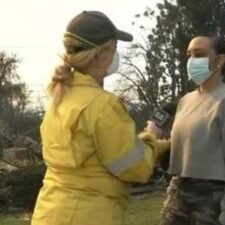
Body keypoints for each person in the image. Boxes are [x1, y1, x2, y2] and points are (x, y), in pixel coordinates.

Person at [31, 11, 165, 225]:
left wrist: (160, 145)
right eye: (114, 48)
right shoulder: (103, 104)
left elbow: (96, 153)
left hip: (49, 213)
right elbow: (135, 167)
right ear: (102, 54)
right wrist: (151, 136)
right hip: (89, 215)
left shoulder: (60, 95)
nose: (116, 55)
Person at [161, 35, 225, 225]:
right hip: (180, 200)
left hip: (213, 204)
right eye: (189, 55)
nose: (191, 61)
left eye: (199, 54)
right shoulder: (185, 102)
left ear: (220, 60)